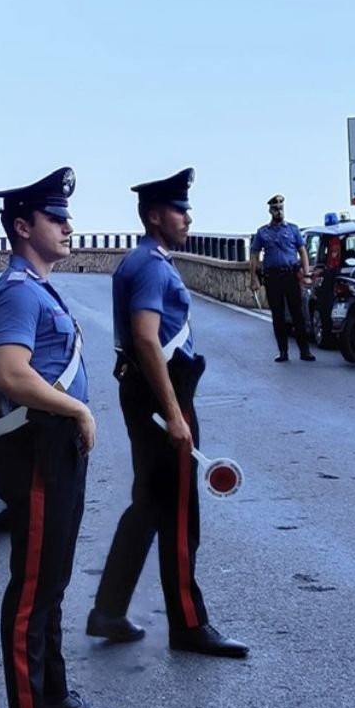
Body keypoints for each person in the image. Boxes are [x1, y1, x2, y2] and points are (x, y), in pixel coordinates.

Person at [0, 166, 118, 708]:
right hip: (38, 446)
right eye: (56, 218)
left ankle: (55, 697)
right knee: (32, 588)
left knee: (55, 579)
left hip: (56, 446)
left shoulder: (38, 286)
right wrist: (77, 410)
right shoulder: (15, 290)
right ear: (22, 226)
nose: (69, 226)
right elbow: (11, 375)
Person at [86, 168, 249, 659]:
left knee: (149, 507)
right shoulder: (152, 266)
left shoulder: (143, 260)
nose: (187, 217)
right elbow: (146, 337)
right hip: (164, 396)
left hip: (147, 395)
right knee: (180, 515)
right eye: (180, 209)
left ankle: (108, 610)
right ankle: (188, 624)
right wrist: (175, 414)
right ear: (156, 215)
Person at [249, 195, 315, 363]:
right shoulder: (263, 232)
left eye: (281, 208)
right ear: (270, 211)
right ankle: (283, 351)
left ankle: (304, 350)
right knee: (278, 316)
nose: (279, 211)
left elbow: (302, 252)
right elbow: (254, 255)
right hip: (272, 278)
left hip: (290, 276)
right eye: (276, 208)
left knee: (297, 314)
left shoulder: (293, 229)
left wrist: (306, 274)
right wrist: (253, 280)